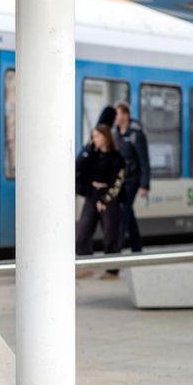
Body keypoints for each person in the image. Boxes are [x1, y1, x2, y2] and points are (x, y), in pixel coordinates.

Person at [75, 124, 126, 277]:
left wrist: (104, 200)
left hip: (109, 200)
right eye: (93, 136)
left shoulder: (117, 158)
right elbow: (78, 167)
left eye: (97, 136)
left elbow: (118, 182)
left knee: (110, 235)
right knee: (82, 232)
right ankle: (85, 266)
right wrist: (87, 149)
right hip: (92, 197)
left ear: (105, 137)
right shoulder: (92, 155)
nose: (94, 139)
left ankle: (112, 270)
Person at [113, 100, 150, 261]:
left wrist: (144, 185)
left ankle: (115, 259)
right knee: (128, 214)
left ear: (125, 115)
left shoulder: (136, 134)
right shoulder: (115, 134)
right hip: (119, 181)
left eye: (118, 114)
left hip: (132, 180)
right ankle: (137, 249)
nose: (116, 117)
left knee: (122, 215)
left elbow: (144, 161)